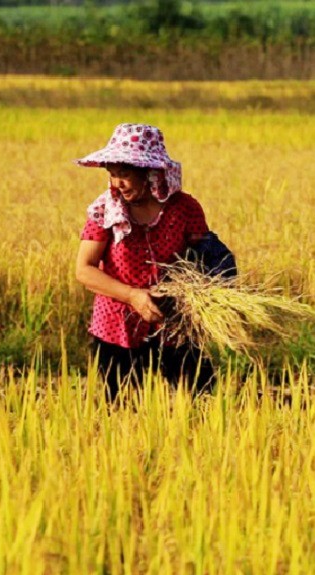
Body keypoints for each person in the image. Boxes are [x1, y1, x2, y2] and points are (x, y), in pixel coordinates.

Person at [74, 122, 215, 400]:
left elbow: (204, 259)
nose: (117, 183)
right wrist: (133, 296)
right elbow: (84, 270)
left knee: (202, 403)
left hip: (175, 325)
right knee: (119, 413)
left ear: (149, 173)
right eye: (112, 175)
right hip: (117, 329)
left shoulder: (185, 209)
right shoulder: (105, 210)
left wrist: (196, 290)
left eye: (124, 174)